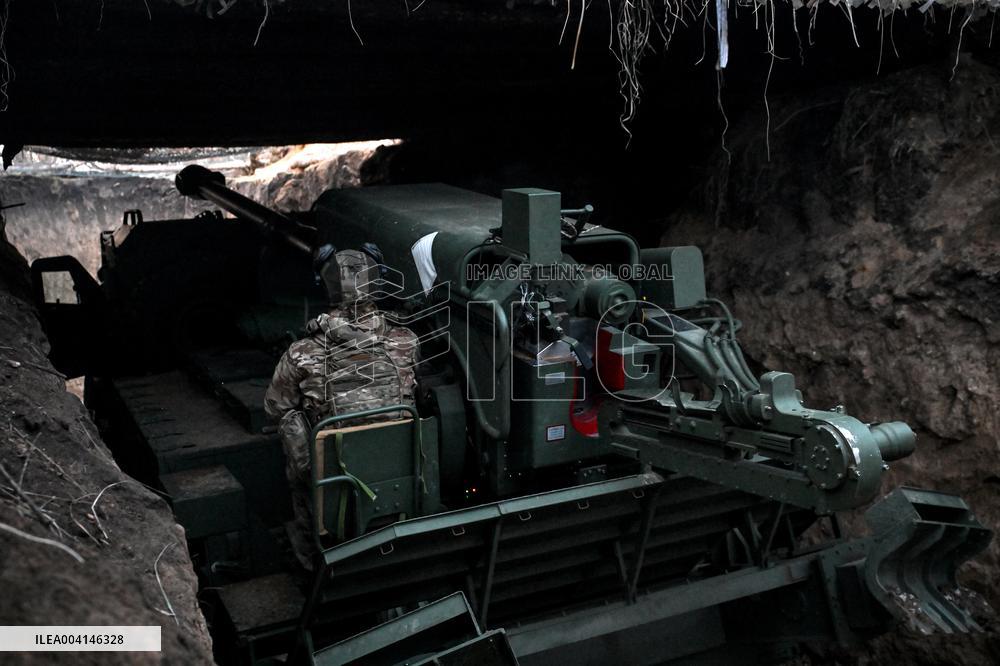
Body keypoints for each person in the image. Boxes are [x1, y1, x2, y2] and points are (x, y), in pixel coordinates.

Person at [264, 246, 418, 568]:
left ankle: (312, 556)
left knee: (292, 427)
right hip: (396, 479)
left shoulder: (301, 352)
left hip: (332, 484)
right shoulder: (407, 341)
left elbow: (275, 407)